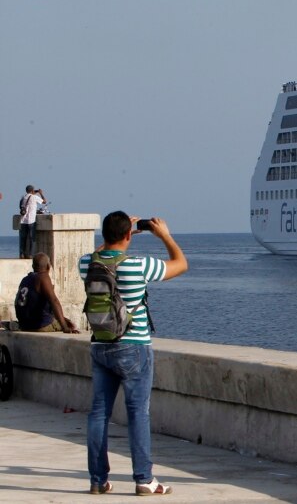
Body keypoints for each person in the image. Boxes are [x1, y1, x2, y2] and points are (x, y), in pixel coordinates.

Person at [79, 212, 188, 496]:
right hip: (134, 347)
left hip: (100, 344)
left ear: (105, 235)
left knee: (99, 412)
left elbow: (98, 254)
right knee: (138, 412)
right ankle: (144, 479)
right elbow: (181, 264)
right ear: (129, 235)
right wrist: (163, 235)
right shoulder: (138, 265)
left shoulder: (87, 264)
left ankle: (98, 479)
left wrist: (118, 235)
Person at [15, 253, 80, 333]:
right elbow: (54, 301)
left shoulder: (25, 279)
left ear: (33, 267)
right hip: (39, 325)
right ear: (48, 266)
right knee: (70, 324)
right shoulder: (43, 277)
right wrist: (65, 327)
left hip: (24, 324)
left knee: (60, 318)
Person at [18, 185, 46, 259]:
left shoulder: (23, 197)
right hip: (31, 220)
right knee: (32, 238)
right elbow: (44, 201)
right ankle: (30, 254)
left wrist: (35, 191)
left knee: (23, 238)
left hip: (23, 220)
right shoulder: (34, 197)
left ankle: (22, 254)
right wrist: (40, 193)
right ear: (33, 190)